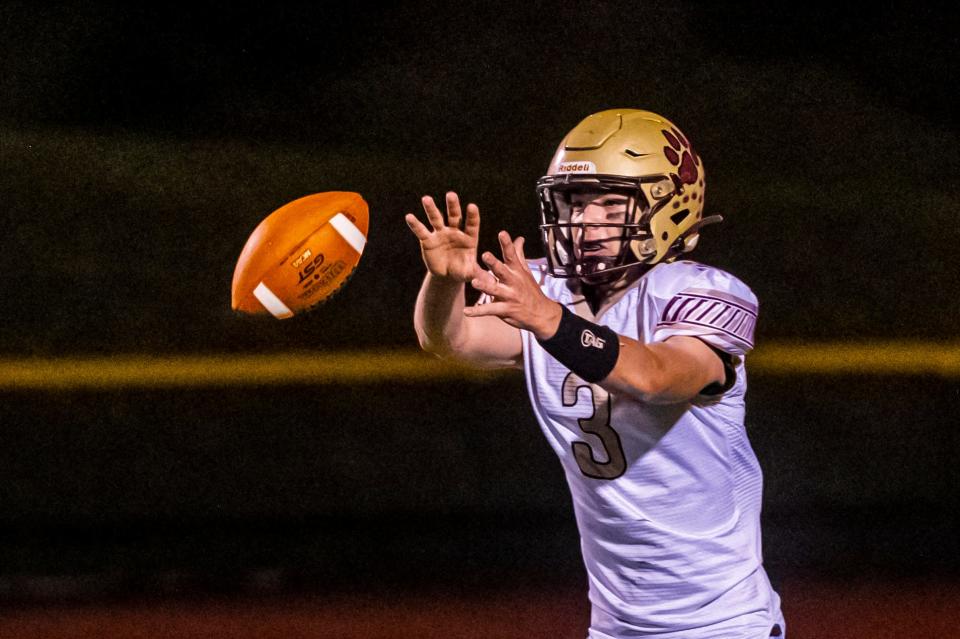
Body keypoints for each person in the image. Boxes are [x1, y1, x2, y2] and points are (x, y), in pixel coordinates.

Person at [405, 108, 784, 638]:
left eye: (610, 204)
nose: (586, 222)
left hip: (721, 620)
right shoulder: (546, 291)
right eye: (575, 203)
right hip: (613, 624)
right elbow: (451, 340)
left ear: (670, 208)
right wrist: (442, 282)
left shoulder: (701, 291)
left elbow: (657, 377)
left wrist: (550, 321)